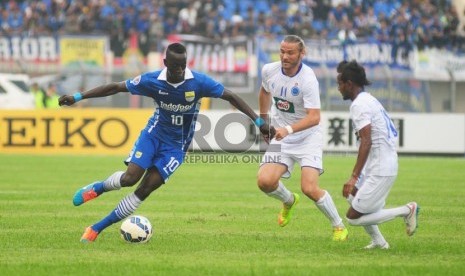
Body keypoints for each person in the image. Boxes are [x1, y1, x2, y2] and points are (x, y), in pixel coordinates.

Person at [58, 42, 275, 242]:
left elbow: (231, 96)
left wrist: (258, 121)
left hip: (177, 147)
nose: (180, 70)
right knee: (129, 178)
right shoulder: (152, 80)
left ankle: (96, 228)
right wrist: (78, 97)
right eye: (175, 66)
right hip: (153, 135)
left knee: (144, 189)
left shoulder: (198, 82)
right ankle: (97, 188)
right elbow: (115, 87)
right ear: (165, 63)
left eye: (182, 65)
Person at [257, 35, 348, 241]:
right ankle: (289, 201)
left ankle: (339, 226)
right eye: (282, 51)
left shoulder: (308, 79)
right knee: (264, 182)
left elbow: (314, 117)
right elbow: (264, 92)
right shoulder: (269, 70)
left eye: (290, 53)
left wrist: (288, 129)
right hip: (282, 135)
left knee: (309, 188)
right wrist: (264, 122)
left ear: (301, 54)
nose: (284, 56)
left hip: (307, 137)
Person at [336, 60, 420, 249]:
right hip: (380, 164)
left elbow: (367, 141)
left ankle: (407, 210)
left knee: (353, 219)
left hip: (381, 168)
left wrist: (354, 176)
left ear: (349, 84)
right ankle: (379, 242)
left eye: (340, 84)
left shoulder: (359, 105)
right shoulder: (368, 99)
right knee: (351, 195)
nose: (338, 88)